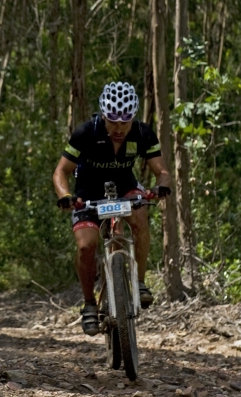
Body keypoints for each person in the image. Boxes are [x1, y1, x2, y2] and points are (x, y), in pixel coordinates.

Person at [52, 81, 171, 336]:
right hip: (87, 193)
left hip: (125, 186)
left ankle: (139, 283)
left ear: (133, 117)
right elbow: (61, 171)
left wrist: (161, 186)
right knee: (86, 246)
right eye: (113, 121)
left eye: (125, 122)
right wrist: (66, 196)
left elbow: (162, 171)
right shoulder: (86, 132)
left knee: (140, 214)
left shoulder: (142, 133)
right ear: (104, 116)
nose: (118, 128)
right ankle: (89, 305)